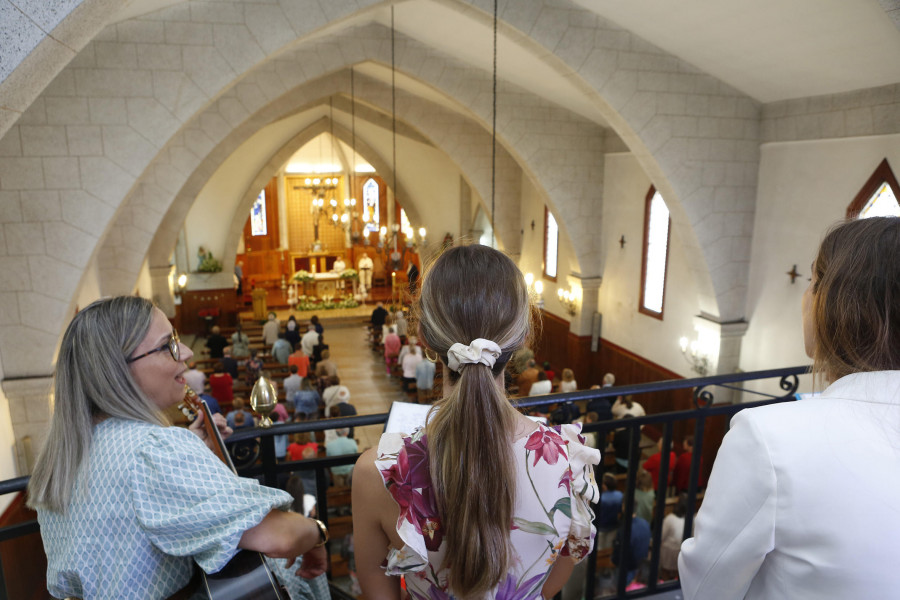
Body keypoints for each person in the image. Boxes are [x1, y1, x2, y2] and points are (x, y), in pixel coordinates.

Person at [26, 296, 327, 600]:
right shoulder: (154, 450)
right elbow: (282, 538)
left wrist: (193, 453)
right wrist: (317, 535)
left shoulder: (57, 458)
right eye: (167, 345)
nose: (186, 352)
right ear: (118, 369)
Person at [352, 244, 600, 599]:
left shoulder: (376, 475)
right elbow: (548, 587)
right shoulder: (569, 461)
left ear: (422, 336)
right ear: (524, 337)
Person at [679, 217, 900, 599]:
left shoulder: (767, 437)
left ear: (836, 304)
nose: (806, 296)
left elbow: (706, 588)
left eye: (813, 283)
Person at [660, 494, 688, 580]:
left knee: (665, 574)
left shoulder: (670, 519)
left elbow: (661, 536)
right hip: (680, 552)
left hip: (668, 552)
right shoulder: (690, 520)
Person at [597, 473, 623, 549]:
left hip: (601, 527)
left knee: (599, 548)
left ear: (604, 486)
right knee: (609, 548)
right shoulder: (620, 495)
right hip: (614, 526)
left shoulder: (600, 498)